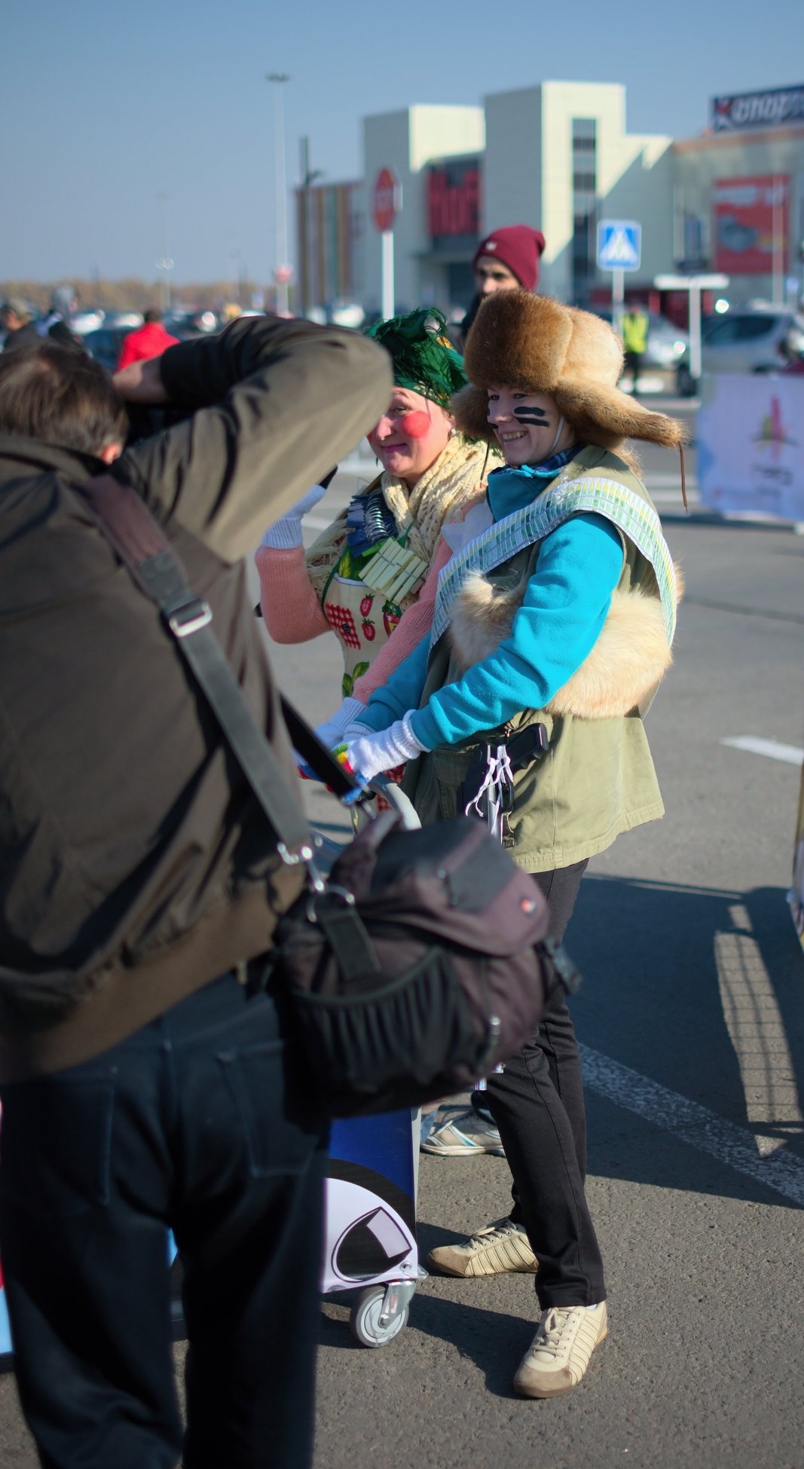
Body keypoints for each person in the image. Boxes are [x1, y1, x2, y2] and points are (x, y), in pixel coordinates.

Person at [0, 319, 390, 1467]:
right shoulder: (162, 496)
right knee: (258, 1384)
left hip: (61, 1068)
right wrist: (160, 373)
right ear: (108, 438)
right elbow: (347, 366)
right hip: (248, 1021)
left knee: (103, 1408)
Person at [338, 288, 684, 1397]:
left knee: (508, 1036)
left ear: (578, 402)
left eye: (530, 395)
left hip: (541, 790)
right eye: (498, 392)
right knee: (547, 1022)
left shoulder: (588, 508)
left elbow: (528, 670)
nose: (507, 408)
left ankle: (575, 1293)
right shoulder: (512, 488)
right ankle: (543, 1224)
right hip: (484, 783)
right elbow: (437, 627)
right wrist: (363, 717)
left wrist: (396, 735)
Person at [256, 308, 498, 749]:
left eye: (399, 409)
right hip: (370, 749)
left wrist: (357, 714)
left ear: (452, 413)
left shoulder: (482, 496)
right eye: (369, 411)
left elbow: (431, 617)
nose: (379, 429)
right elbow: (292, 625)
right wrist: (281, 528)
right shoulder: (375, 501)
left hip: (442, 747)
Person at [459, 224, 545, 345]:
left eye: (499, 276)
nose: (487, 287)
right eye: (481, 274)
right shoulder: (450, 344)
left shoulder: (546, 345)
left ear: (524, 286)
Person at [116, 306, 180, 370]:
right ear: (161, 322)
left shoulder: (132, 340)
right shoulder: (173, 342)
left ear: (144, 321)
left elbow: (124, 368)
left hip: (141, 378)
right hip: (164, 379)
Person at [621, 301, 649, 394]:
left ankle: (635, 388)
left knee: (636, 370)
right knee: (623, 369)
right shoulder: (625, 318)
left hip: (638, 348)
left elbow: (645, 333)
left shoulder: (642, 319)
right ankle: (619, 387)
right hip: (628, 347)